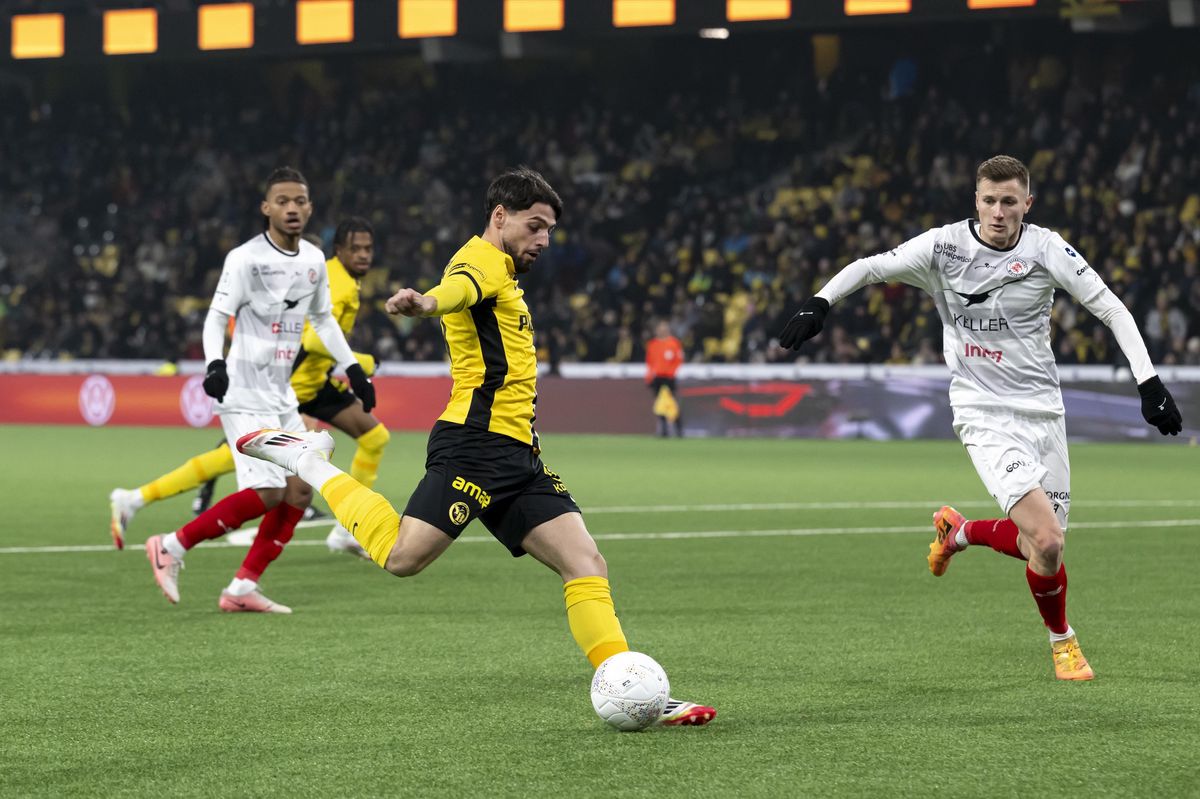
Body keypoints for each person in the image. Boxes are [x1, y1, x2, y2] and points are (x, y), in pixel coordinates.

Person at [236, 167, 715, 724]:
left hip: (519, 455)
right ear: (500, 216)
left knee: (586, 563)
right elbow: (459, 288)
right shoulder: (480, 261)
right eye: (535, 226)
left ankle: (633, 691)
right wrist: (428, 303)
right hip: (475, 446)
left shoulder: (505, 274)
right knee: (402, 557)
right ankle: (307, 460)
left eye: (550, 230)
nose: (544, 240)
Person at [778, 155, 1183, 681]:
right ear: (976, 200)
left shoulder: (1047, 249)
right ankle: (1063, 642)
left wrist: (1148, 383)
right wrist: (821, 301)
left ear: (1027, 204)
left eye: (1009, 202)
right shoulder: (943, 247)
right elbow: (871, 266)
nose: (998, 212)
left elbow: (1111, 308)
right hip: (982, 410)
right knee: (1048, 540)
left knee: (1041, 546)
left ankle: (959, 532)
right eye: (989, 201)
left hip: (1044, 411)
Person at [142, 167, 376, 614]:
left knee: (301, 489)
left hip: (281, 394)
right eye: (282, 201)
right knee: (269, 492)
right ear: (266, 208)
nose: (292, 208)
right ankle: (170, 546)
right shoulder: (244, 258)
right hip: (243, 392)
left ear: (310, 207)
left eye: (300, 201)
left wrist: (353, 369)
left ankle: (242, 587)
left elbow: (323, 319)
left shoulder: (313, 259)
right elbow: (216, 316)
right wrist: (214, 363)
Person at [109, 218, 387, 560]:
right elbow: (313, 339)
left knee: (374, 437)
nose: (363, 255)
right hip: (291, 387)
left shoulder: (327, 279)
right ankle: (136, 500)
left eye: (368, 249)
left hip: (315, 383)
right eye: (356, 248)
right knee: (240, 459)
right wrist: (362, 363)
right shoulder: (329, 282)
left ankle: (344, 532)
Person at [645, 320, 684, 437]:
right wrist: (649, 377)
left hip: (669, 378)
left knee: (672, 404)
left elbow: (678, 360)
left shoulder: (674, 343)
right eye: (660, 329)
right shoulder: (652, 344)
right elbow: (650, 362)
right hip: (657, 378)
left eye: (664, 329)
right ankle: (663, 430)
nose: (662, 331)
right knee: (659, 405)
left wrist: (671, 373)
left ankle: (678, 430)